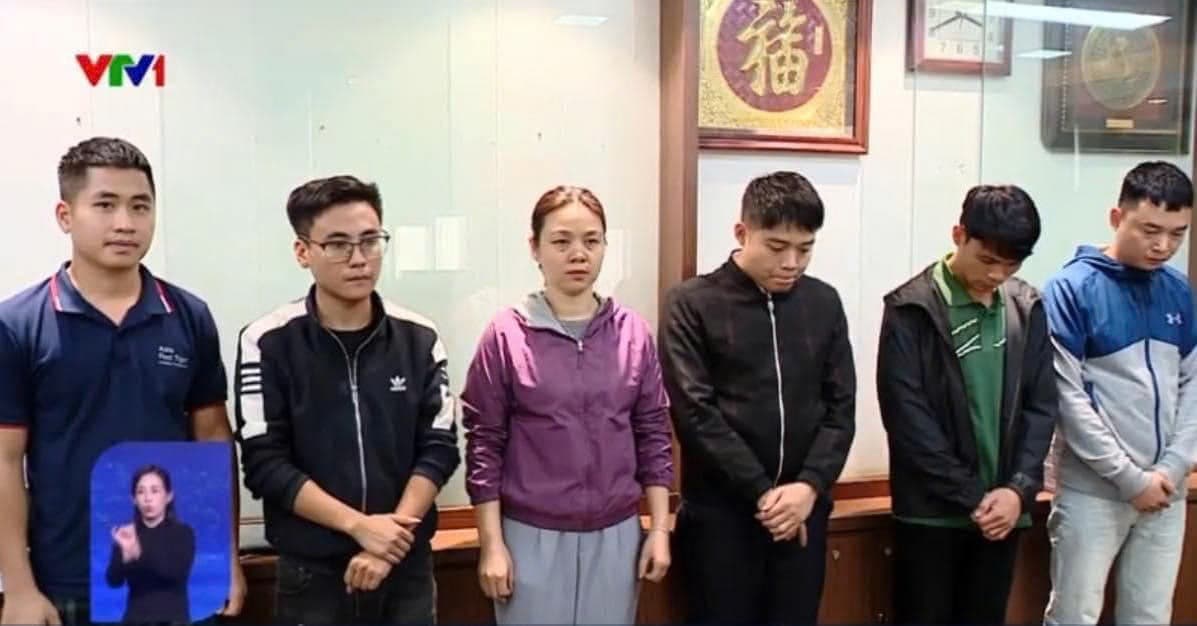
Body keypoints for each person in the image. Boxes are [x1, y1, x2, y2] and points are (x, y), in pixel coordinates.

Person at [0, 137, 245, 626]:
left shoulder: (189, 315)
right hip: (67, 578)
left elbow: (213, 441)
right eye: (105, 205)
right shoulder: (19, 324)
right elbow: (5, 460)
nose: (125, 223)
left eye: (140, 206)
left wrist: (226, 558)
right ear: (65, 215)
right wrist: (20, 587)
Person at [234, 175, 460, 625]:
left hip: (406, 568)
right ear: (303, 252)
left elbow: (439, 447)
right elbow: (265, 463)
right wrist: (360, 527)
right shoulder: (268, 341)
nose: (359, 259)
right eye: (338, 244)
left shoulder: (419, 337)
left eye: (370, 241)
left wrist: (388, 541)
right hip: (313, 574)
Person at [461, 185, 674, 625]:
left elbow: (653, 434)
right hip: (529, 535)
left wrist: (659, 529)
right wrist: (492, 544)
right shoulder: (506, 335)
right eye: (561, 241)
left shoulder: (632, 333)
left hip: (616, 534)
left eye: (591, 241)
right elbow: (484, 444)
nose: (578, 254)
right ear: (534, 247)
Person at [660, 170, 856, 624]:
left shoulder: (823, 302)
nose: (791, 262)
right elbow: (695, 413)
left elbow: (840, 409)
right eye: (776, 246)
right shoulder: (692, 303)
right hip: (722, 517)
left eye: (805, 248)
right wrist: (764, 495)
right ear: (741, 232)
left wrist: (809, 486)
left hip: (804, 512)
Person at [876, 185, 1056, 625]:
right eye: (987, 260)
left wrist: (1017, 490)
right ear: (959, 235)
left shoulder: (1026, 306)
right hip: (930, 514)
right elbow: (907, 418)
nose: (997, 274)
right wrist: (974, 498)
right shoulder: (912, 308)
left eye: (1011, 264)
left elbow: (1041, 406)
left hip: (1004, 512)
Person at [1042, 161, 1197, 625]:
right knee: (1074, 614)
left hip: (1166, 491)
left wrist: (1172, 468)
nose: (1163, 246)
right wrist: (1131, 480)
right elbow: (1068, 401)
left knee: (1149, 616)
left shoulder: (1179, 291)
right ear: (1116, 217)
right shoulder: (1071, 290)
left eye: (1177, 233)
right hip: (1093, 491)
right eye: (1150, 230)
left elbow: (1193, 387)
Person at [106, 465, 196, 624]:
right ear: (134, 499)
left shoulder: (183, 533)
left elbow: (174, 573)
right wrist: (124, 556)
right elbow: (113, 581)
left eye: (155, 491)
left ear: (169, 496)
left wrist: (137, 553)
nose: (147, 498)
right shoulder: (128, 534)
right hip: (134, 620)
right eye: (141, 492)